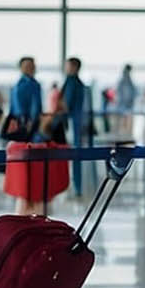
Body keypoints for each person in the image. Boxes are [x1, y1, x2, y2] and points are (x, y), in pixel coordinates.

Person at [62, 58, 90, 196]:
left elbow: (65, 105)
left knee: (72, 156)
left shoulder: (71, 83)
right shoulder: (79, 83)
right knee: (77, 157)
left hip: (71, 125)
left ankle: (74, 188)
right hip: (78, 124)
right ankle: (77, 188)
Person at [8, 57, 43, 140]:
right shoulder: (22, 85)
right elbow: (18, 107)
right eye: (27, 66)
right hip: (25, 122)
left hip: (31, 121)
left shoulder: (33, 83)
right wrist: (26, 121)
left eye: (32, 65)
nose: (31, 68)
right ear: (21, 68)